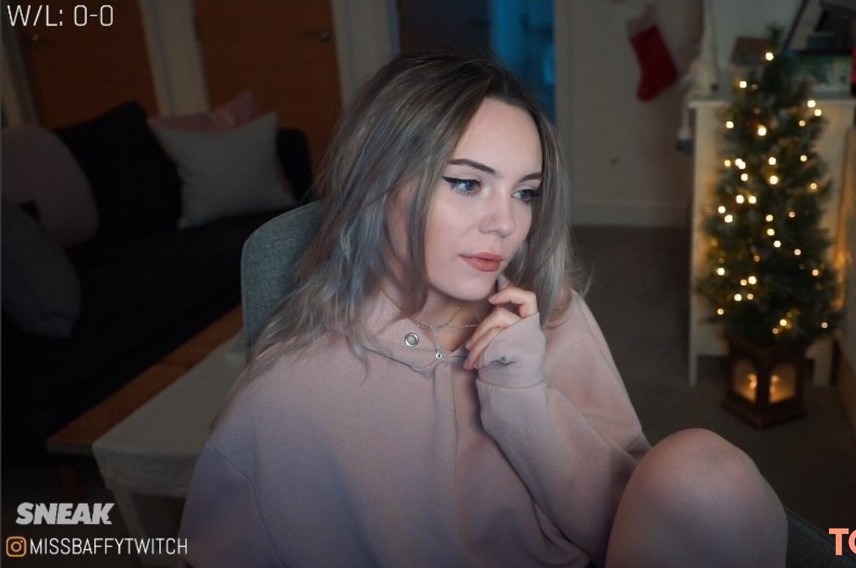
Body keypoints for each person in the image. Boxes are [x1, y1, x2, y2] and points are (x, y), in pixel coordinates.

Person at [178, 51, 787, 567]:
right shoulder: (289, 396)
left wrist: (522, 394)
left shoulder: (549, 312)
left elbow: (620, 524)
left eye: (525, 192)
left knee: (707, 472)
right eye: (467, 183)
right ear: (376, 182)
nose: (506, 223)